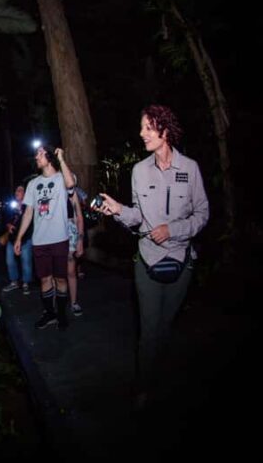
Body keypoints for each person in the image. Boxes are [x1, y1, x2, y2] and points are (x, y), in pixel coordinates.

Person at [93, 104, 209, 406]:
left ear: (164, 131)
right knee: (149, 329)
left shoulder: (190, 169)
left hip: (181, 260)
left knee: (165, 327)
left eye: (148, 127)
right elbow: (137, 217)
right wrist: (117, 210)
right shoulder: (139, 171)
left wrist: (173, 230)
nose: (142, 133)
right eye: (142, 127)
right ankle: (143, 388)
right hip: (147, 260)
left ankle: (163, 378)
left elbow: (202, 214)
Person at [14, 145, 77, 330]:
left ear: (49, 157)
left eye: (40, 154)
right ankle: (50, 314)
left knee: (61, 279)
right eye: (36, 154)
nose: (36, 157)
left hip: (60, 239)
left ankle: (61, 314)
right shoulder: (33, 184)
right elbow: (28, 213)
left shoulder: (62, 178)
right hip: (39, 241)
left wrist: (62, 159)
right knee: (44, 279)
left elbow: (71, 185)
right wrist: (19, 238)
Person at [2, 185, 34, 295]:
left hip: (26, 239)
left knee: (26, 262)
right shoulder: (11, 206)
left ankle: (26, 283)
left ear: (25, 193)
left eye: (20, 190)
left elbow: (31, 222)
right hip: (12, 239)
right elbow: (5, 219)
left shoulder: (29, 206)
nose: (17, 192)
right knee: (10, 261)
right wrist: (8, 225)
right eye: (16, 190)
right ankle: (14, 282)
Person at [66, 188, 85, 315]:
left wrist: (80, 240)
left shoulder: (72, 194)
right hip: (53, 232)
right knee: (55, 273)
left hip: (70, 232)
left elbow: (79, 217)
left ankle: (73, 302)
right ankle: (53, 307)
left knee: (71, 271)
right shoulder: (53, 190)